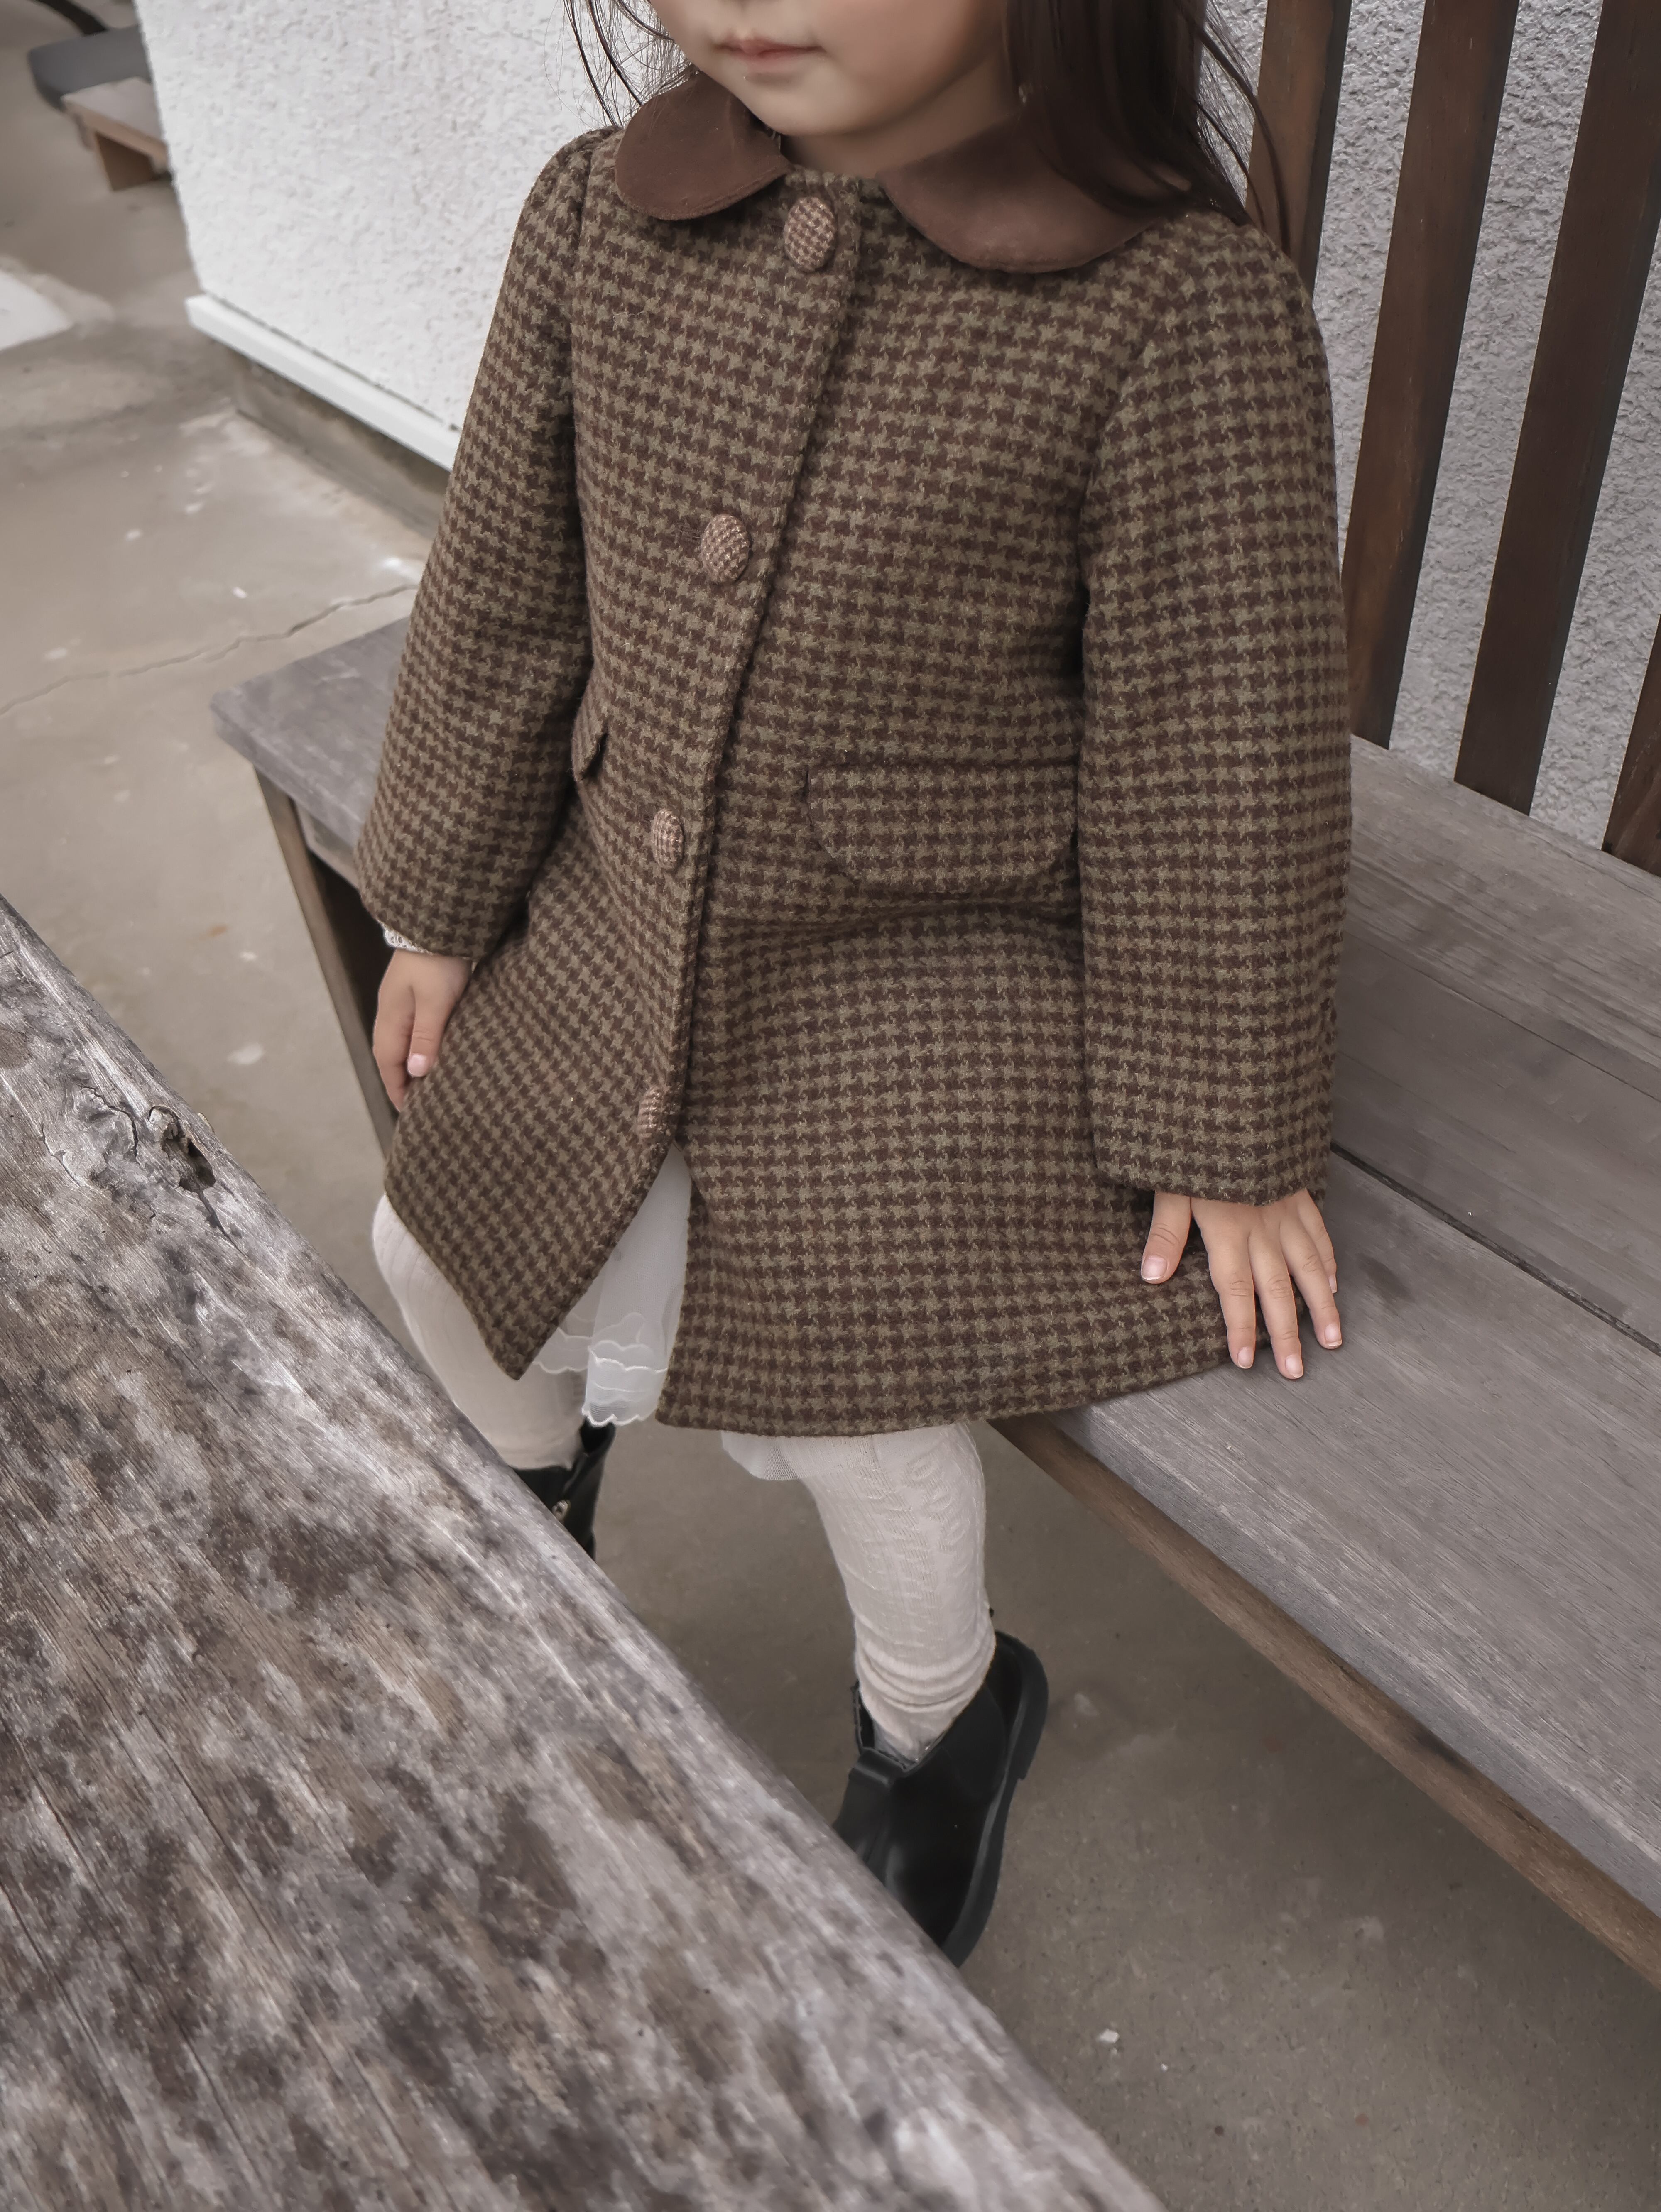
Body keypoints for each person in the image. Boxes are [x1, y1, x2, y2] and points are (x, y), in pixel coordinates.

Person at [357, 0, 1351, 1968]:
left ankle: (941, 1720)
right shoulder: (597, 216)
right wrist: (443, 900)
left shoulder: (1172, 310)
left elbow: (1216, 742)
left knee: (857, 1389)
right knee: (430, 1240)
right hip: (616, 910)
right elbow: (502, 590)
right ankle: (526, 1534)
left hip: (929, 968)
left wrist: (1223, 1125)